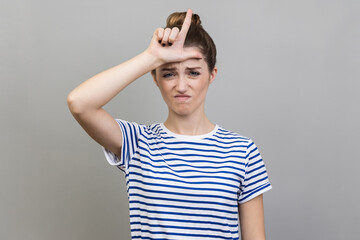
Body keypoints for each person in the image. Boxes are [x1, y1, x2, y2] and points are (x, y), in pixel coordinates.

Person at [67, 9, 272, 240]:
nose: (181, 86)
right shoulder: (137, 142)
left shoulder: (242, 151)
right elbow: (79, 103)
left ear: (212, 75)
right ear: (154, 78)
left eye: (193, 73)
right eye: (168, 74)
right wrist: (151, 57)